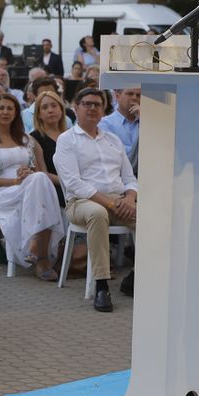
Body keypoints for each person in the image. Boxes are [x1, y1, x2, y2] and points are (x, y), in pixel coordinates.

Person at [55, 86, 137, 312]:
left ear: (104, 109)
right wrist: (110, 203)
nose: (92, 108)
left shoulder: (113, 140)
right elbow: (74, 183)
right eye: (87, 104)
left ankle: (141, 276)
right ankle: (101, 286)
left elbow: (130, 178)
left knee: (154, 216)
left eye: (97, 104)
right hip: (81, 204)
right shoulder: (67, 140)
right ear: (76, 108)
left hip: (120, 201)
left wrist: (130, 199)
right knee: (98, 213)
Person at [0, 94, 64, 280]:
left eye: (10, 108)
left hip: (29, 187)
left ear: (16, 113)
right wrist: (14, 182)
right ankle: (42, 256)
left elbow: (39, 171)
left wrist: (27, 175)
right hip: (1, 192)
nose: (5, 112)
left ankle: (36, 247)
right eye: (1, 108)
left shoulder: (27, 140)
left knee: (39, 179)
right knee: (40, 184)